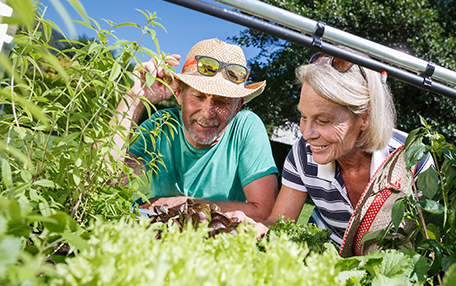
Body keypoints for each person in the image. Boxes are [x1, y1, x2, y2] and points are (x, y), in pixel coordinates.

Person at [234, 51, 433, 245]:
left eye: (323, 120)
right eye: (304, 116)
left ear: (365, 117)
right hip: (325, 262)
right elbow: (278, 225)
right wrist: (257, 228)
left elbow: (430, 242)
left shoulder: (413, 157)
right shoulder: (302, 154)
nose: (307, 133)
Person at [109, 38, 279, 222]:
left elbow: (264, 211)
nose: (208, 113)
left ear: (237, 107)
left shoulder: (245, 127)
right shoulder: (162, 124)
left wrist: (186, 205)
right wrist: (134, 99)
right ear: (179, 94)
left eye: (222, 102)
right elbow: (106, 179)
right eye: (198, 96)